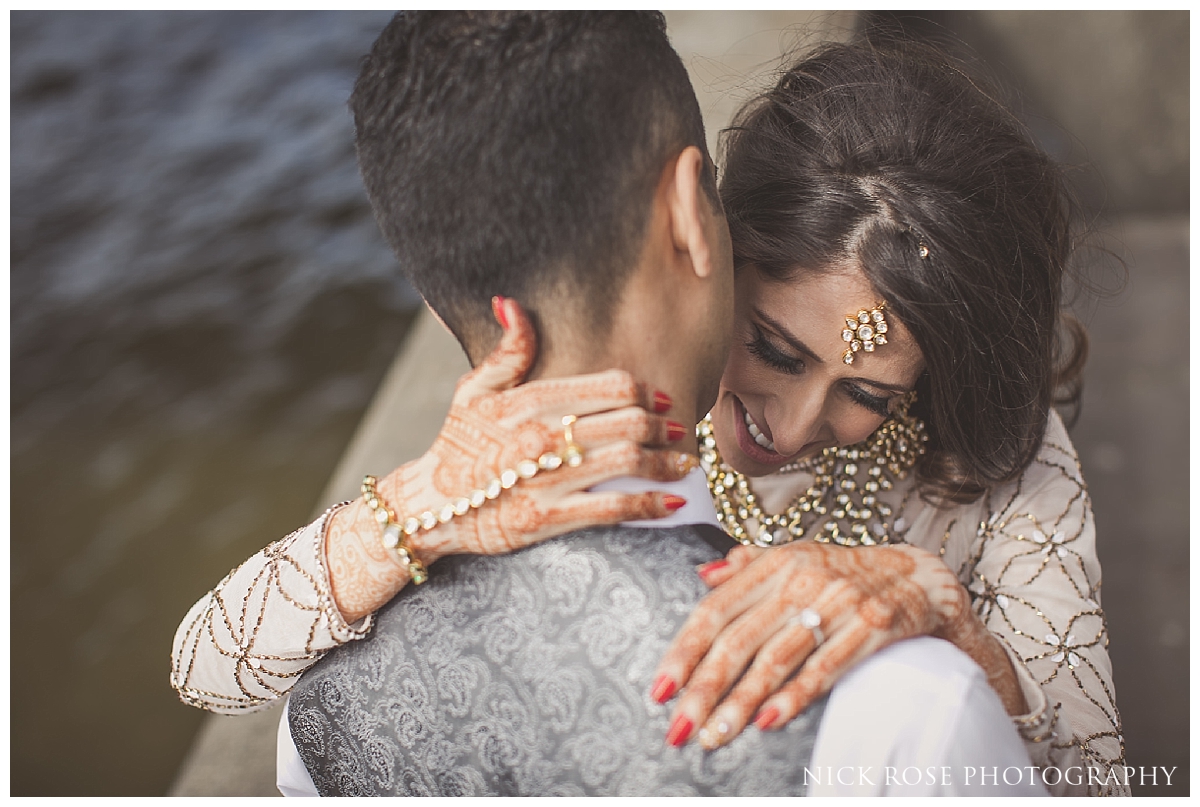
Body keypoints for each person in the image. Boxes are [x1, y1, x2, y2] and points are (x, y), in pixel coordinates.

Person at [170, 15, 1124, 797]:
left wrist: (951, 625)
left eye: (867, 394)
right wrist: (415, 507)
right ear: (709, 243)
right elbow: (207, 669)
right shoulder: (596, 428)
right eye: (773, 348)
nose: (789, 427)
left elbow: (1100, 781)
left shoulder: (999, 471)